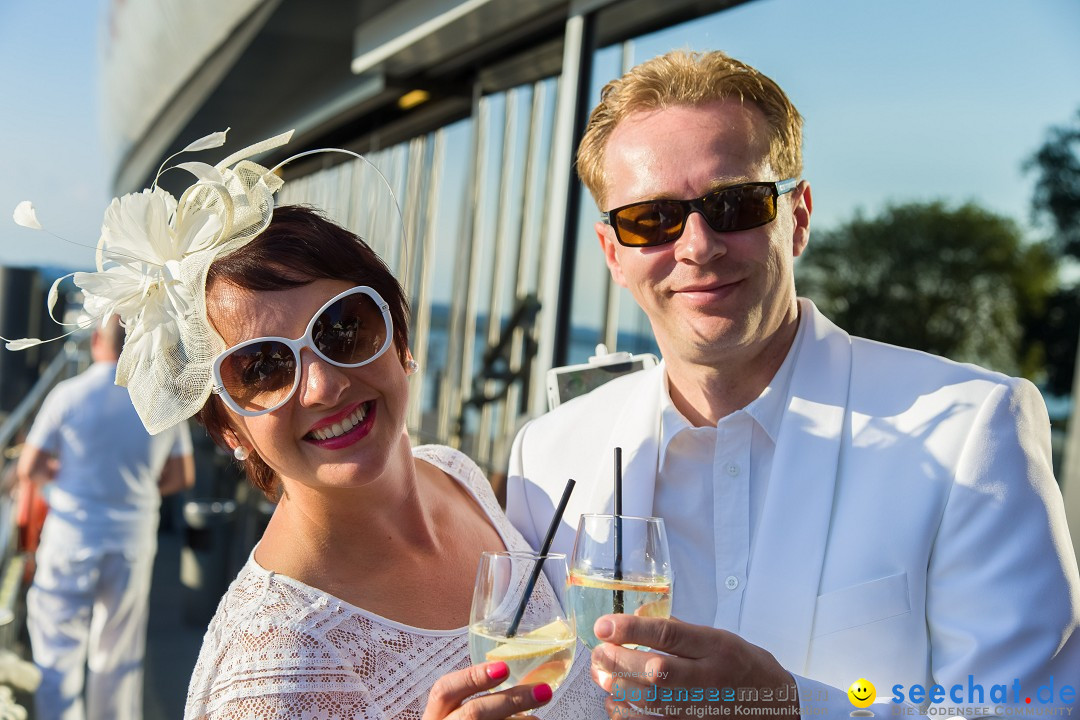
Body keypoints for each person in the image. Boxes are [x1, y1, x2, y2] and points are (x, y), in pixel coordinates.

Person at [506, 50, 1080, 717]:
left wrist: (792, 707)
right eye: (651, 220)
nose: (697, 245)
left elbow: (1032, 708)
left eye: (735, 205)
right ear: (613, 253)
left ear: (796, 217)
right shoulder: (547, 458)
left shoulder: (971, 429)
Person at [7, 130, 604, 719]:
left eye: (343, 327)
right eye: (261, 368)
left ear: (399, 336)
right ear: (231, 431)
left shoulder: (457, 473)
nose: (323, 386)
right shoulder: (268, 681)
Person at [16, 315, 195, 720]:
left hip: (71, 538)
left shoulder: (69, 394)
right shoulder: (159, 399)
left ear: (97, 339)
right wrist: (140, 486)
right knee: (118, 654)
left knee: (57, 652)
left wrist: (59, 476)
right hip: (131, 539)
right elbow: (182, 475)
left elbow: (30, 468)